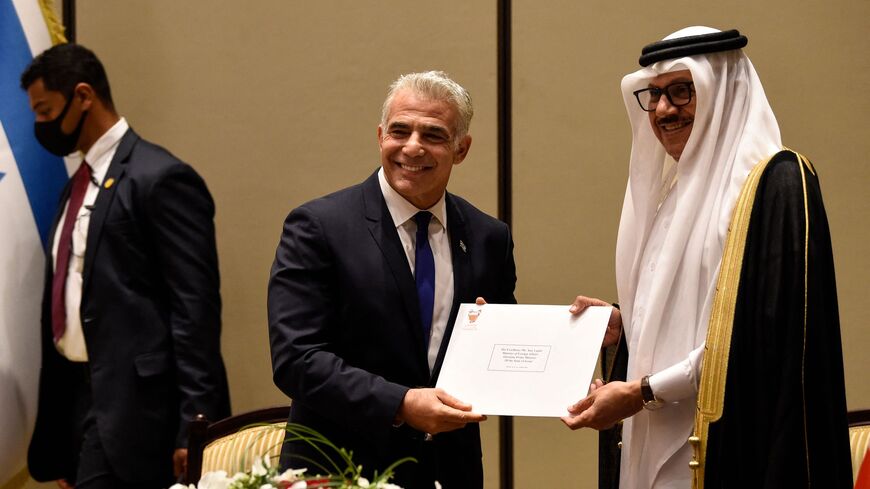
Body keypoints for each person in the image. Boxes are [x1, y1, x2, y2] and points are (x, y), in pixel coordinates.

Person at [563, 27, 852, 488]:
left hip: (733, 443)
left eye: (683, 91)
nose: (663, 109)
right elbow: (692, 315)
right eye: (655, 94)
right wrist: (624, 328)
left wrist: (644, 391)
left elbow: (762, 337)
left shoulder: (775, 184)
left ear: (723, 93)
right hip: (652, 434)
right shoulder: (672, 193)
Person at [267, 70, 517, 488]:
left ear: (461, 149)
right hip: (341, 470)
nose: (412, 147)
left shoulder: (488, 237)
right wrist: (400, 403)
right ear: (381, 136)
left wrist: (584, 340)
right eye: (400, 131)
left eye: (433, 135)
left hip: (449, 471)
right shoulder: (318, 227)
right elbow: (297, 359)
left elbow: (507, 347)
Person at [21, 44, 231, 488]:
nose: (40, 126)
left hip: (140, 413)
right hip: (80, 402)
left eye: (45, 111)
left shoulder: (161, 177)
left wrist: (196, 424)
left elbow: (194, 310)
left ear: (83, 96)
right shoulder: (76, 186)